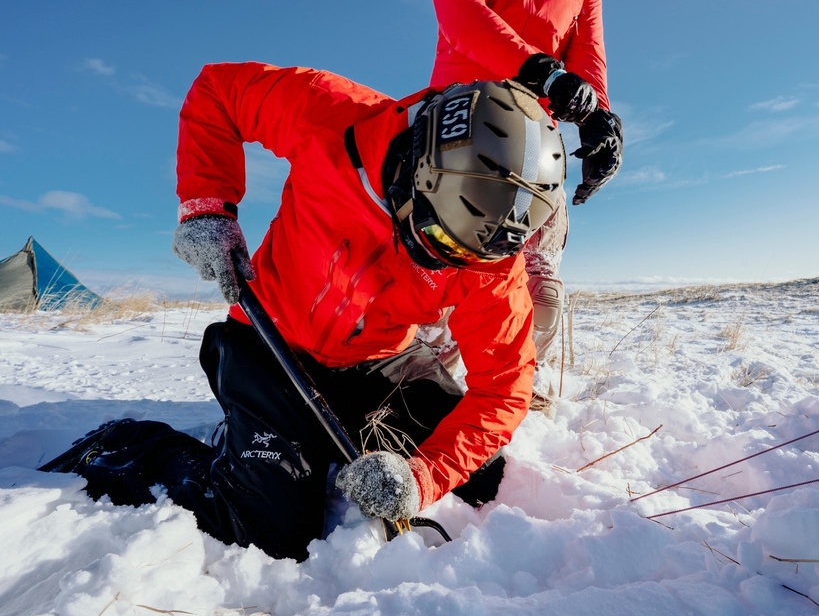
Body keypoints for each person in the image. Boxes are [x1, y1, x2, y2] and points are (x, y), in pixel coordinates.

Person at [40, 62, 566, 561]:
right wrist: (206, 206)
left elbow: (504, 387)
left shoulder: (489, 257)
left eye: (465, 258)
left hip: (379, 358)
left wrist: (422, 477)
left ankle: (319, 439)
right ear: (420, 173)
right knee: (272, 534)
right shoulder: (335, 115)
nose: (443, 264)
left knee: (483, 477)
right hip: (268, 342)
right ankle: (135, 443)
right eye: (432, 240)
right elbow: (218, 92)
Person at [424, 0, 624, 405]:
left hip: (538, 144)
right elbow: (463, 14)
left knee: (540, 292)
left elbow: (589, 60)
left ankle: (507, 401)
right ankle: (423, 396)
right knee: (441, 285)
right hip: (459, 127)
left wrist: (600, 123)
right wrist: (544, 72)